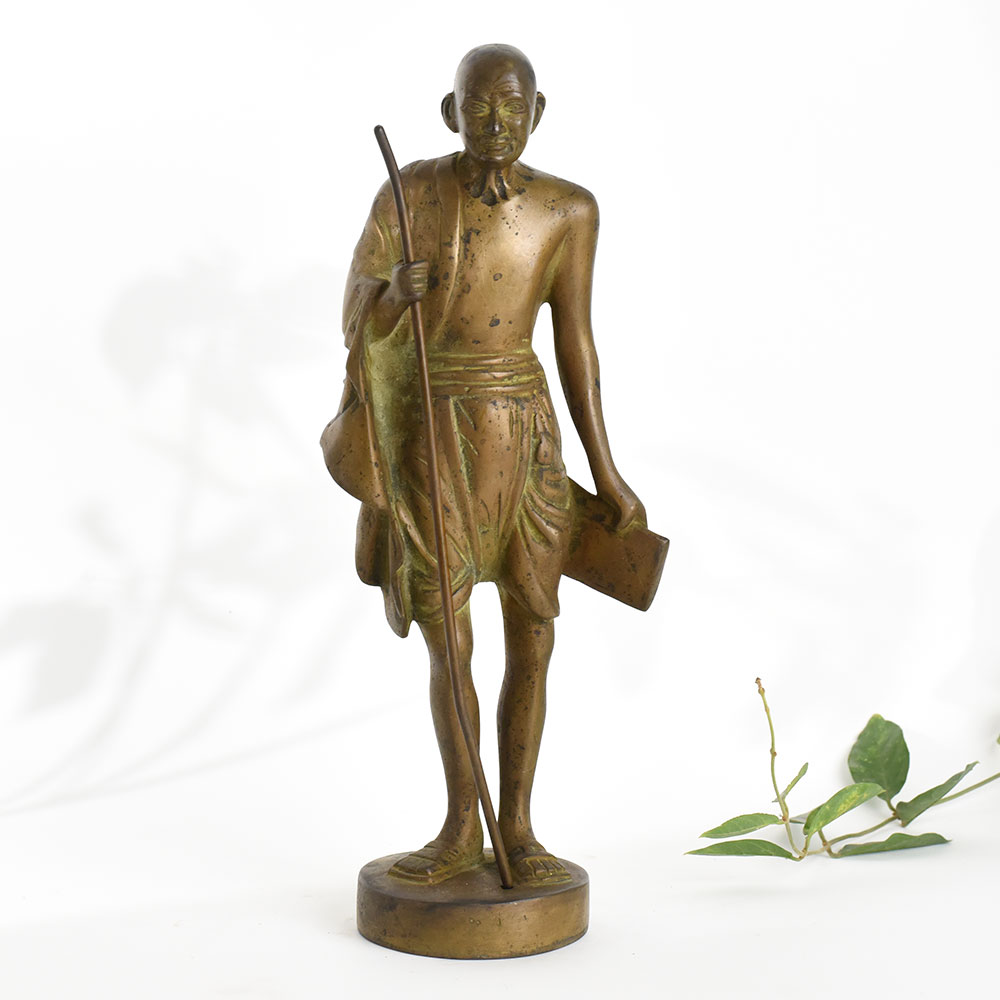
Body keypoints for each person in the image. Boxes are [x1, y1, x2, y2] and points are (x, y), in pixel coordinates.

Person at [322, 43, 646, 885]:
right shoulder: (410, 194)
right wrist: (390, 293)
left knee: (533, 632)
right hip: (432, 436)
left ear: (537, 113)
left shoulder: (568, 210)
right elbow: (353, 304)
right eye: (477, 106)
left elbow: (576, 345)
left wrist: (607, 472)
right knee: (448, 636)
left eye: (511, 106)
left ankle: (521, 829)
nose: (495, 123)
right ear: (450, 113)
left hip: (525, 436)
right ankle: (463, 824)